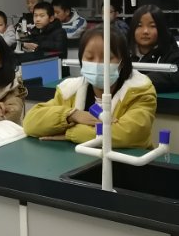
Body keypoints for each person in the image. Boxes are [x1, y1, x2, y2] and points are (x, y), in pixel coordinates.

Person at [24, 28, 157, 147]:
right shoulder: (70, 91)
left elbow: (128, 135)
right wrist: (72, 115)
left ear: (122, 62)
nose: (98, 64)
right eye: (90, 57)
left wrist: (70, 133)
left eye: (107, 58)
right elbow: (30, 123)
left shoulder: (139, 92)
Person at [129, 4, 179, 92]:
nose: (145, 31)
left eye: (152, 26)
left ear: (161, 29)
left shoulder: (172, 54)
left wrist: (142, 80)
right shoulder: (123, 53)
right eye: (139, 25)